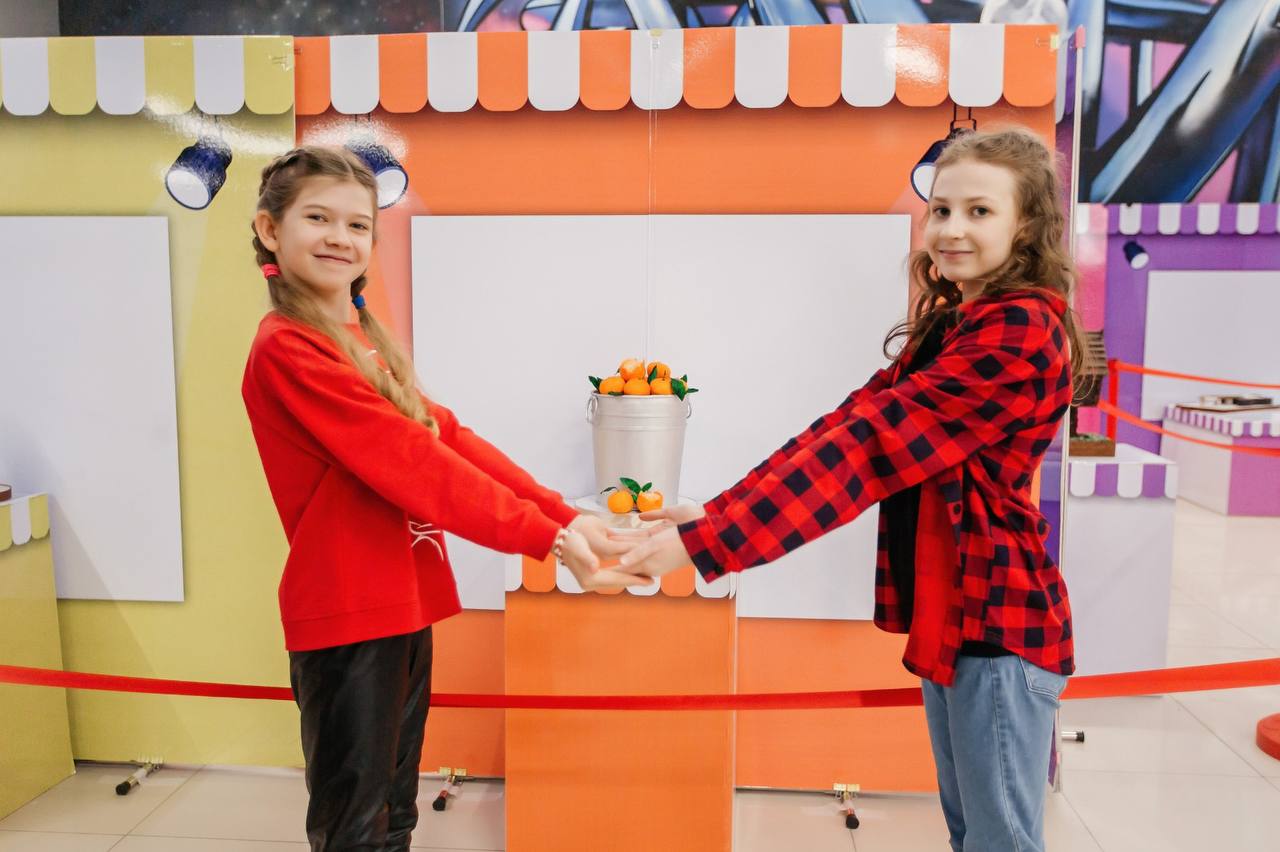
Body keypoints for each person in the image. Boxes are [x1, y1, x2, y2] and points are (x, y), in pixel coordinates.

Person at [619, 128, 1086, 852]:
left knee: (999, 842)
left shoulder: (1019, 332)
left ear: (1026, 225)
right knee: (973, 834)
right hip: (961, 619)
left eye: (980, 211)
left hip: (1000, 623)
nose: (951, 229)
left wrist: (710, 542)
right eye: (941, 209)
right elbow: (845, 425)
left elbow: (868, 448)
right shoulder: (958, 326)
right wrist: (714, 516)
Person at [240, 145, 646, 852]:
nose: (340, 238)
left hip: (400, 600)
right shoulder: (288, 347)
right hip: (347, 611)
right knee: (354, 830)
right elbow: (412, 464)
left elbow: (445, 436)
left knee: (395, 813)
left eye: (358, 225)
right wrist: (547, 538)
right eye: (318, 218)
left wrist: (563, 514)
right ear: (270, 230)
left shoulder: (360, 339)